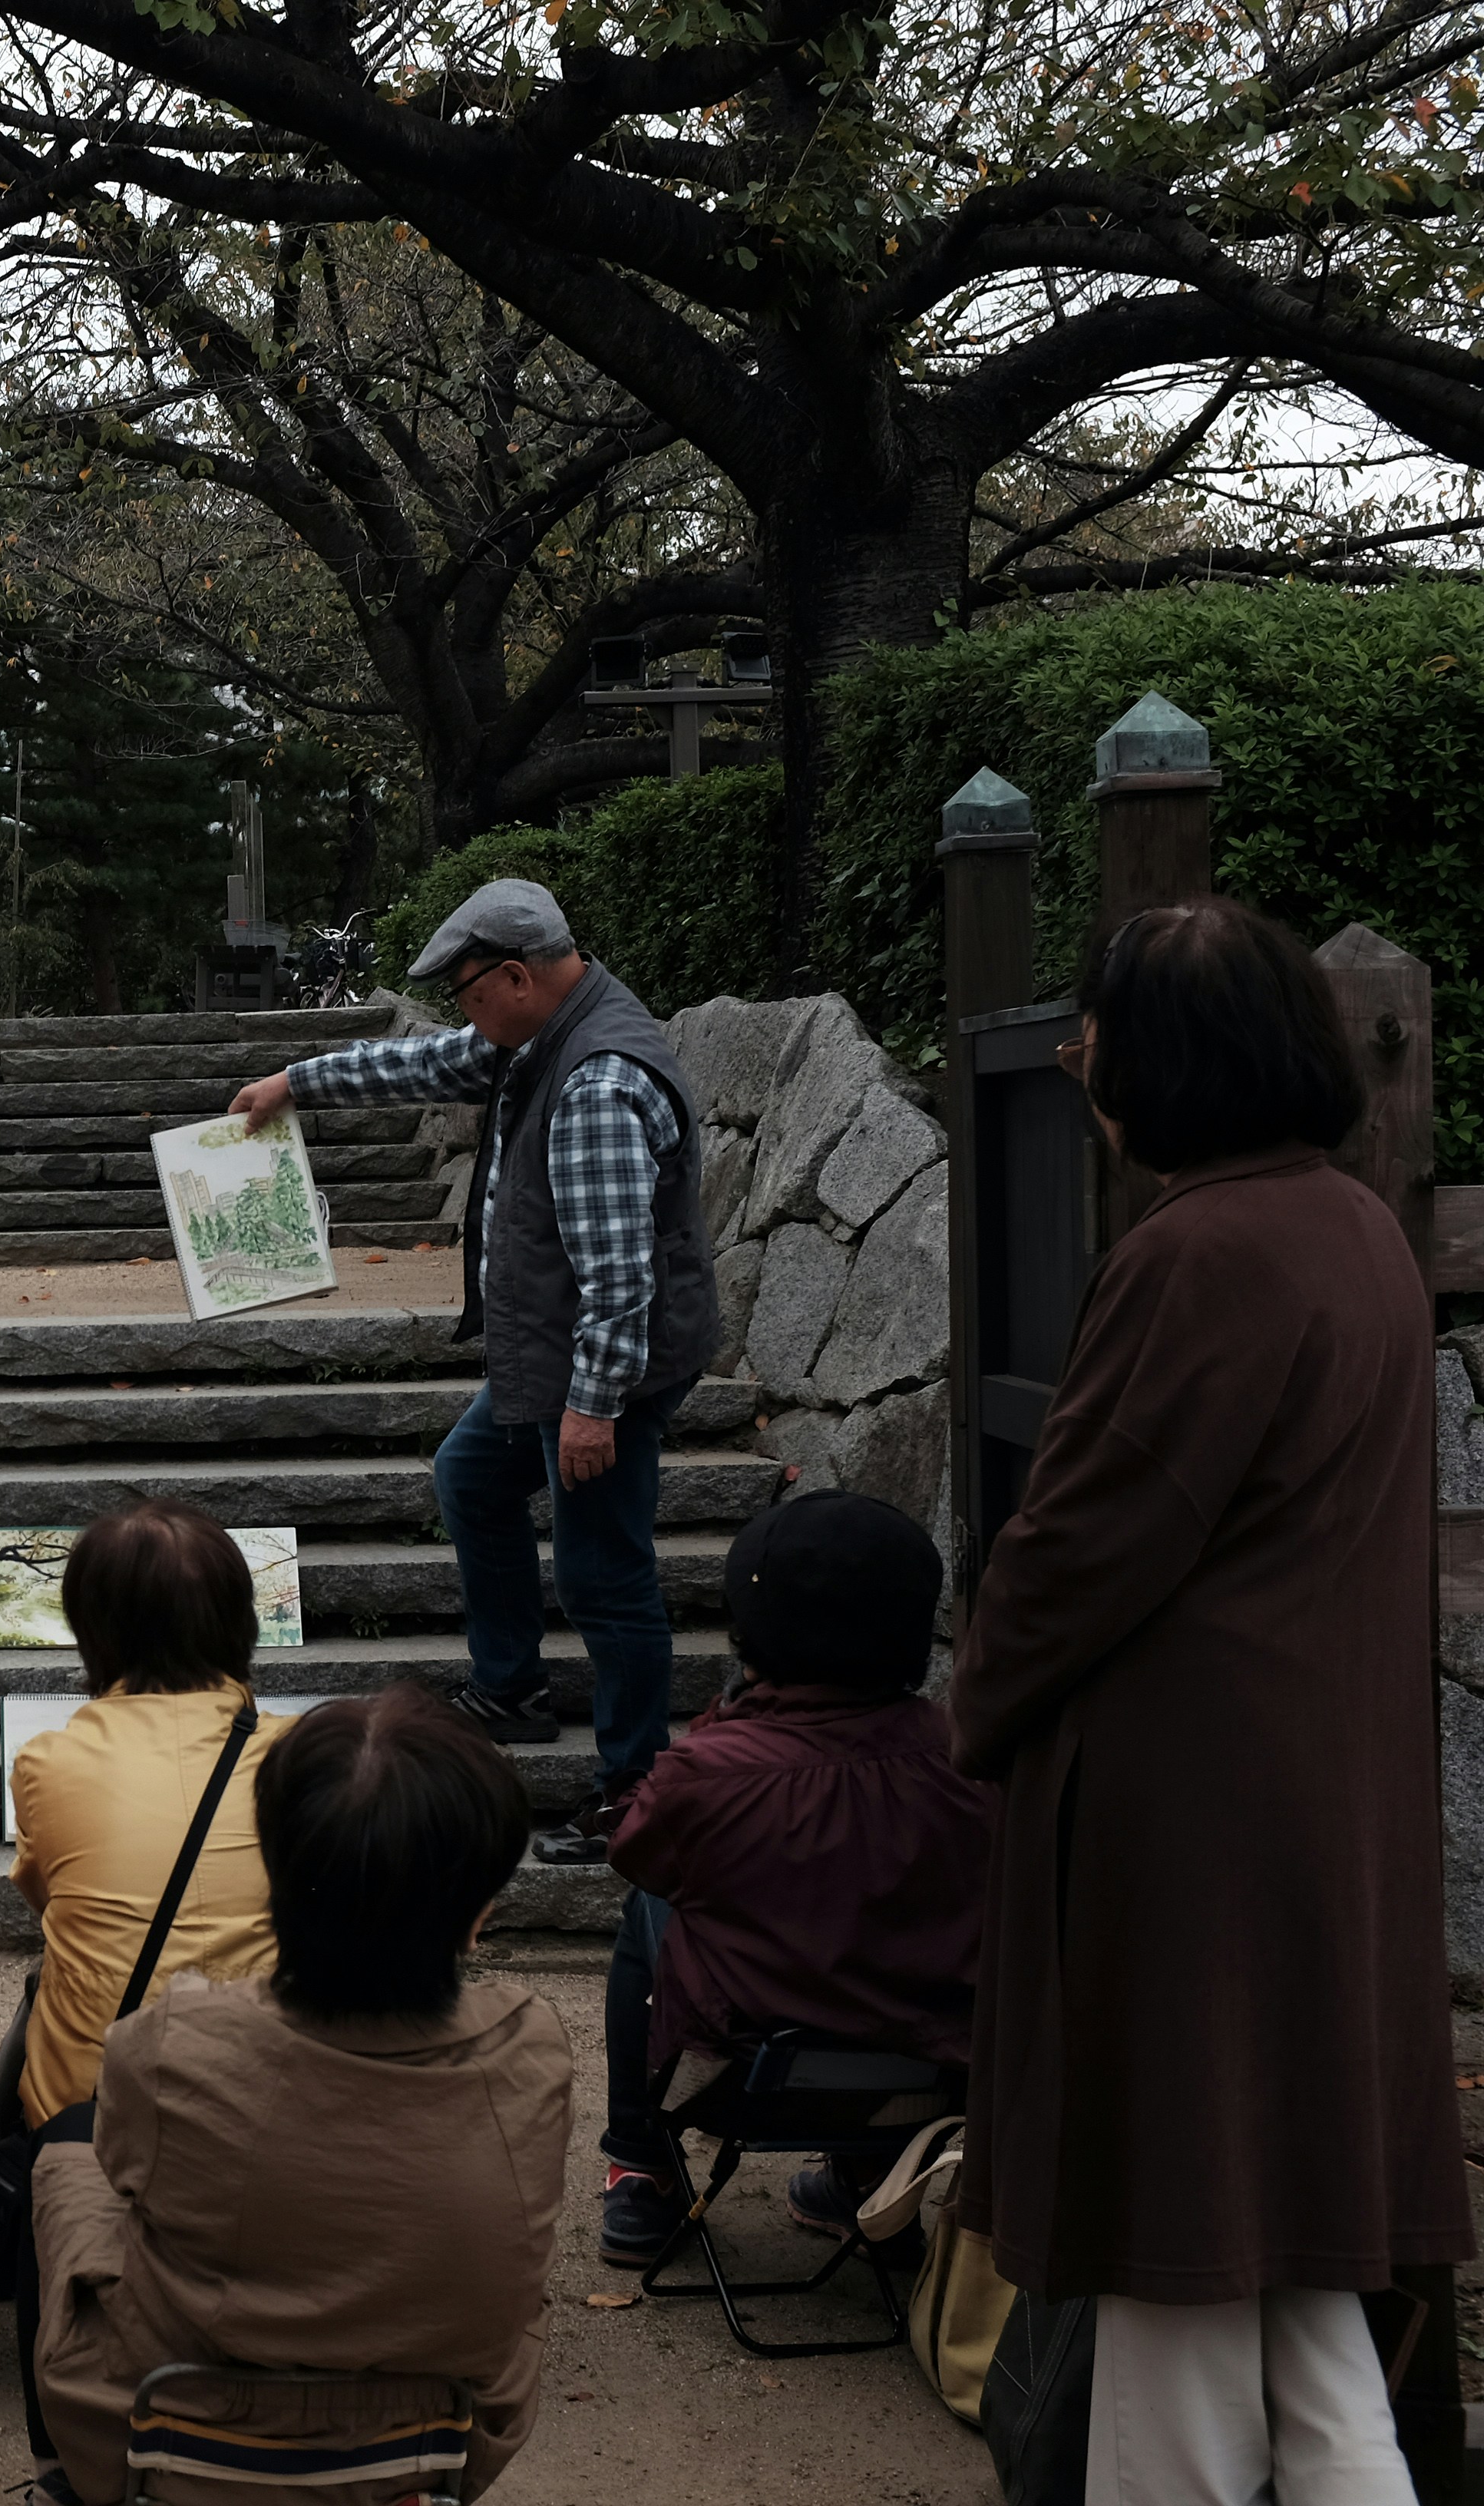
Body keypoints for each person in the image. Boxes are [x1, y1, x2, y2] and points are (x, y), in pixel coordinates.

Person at [949, 896, 1462, 2499]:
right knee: (1299, 2255)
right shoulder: (1352, 1223)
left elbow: (1082, 1543)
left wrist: (978, 1696)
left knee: (1176, 2243)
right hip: (1319, 1786)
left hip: (1193, 1818)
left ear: (1158, 1067)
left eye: (1097, 1039)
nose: (1084, 1067)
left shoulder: (1198, 1254)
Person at [225, 877, 718, 1863]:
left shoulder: (594, 1083)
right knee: (470, 1475)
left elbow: (619, 1279)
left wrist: (593, 1408)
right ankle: (511, 1688)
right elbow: (423, 1062)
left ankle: (635, 1789)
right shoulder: (536, 1039)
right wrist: (297, 1083)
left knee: (604, 1576)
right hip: (547, 1353)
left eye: (466, 992)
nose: (463, 1014)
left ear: (515, 976)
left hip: (595, 1370)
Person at [30, 1687, 573, 2505]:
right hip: (441, 2434)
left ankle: (69, 2480)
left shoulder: (170, 2043)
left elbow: (126, 2170)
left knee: (62, 2158)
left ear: (274, 1875)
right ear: (479, 1912)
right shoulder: (534, 2050)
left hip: (184, 2423)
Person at [595, 1489, 990, 2268]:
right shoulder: (967, 1757)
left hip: (742, 2077)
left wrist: (730, 1721)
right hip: (929, 2075)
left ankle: (641, 2167)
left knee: (647, 1900)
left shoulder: (710, 1773)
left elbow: (637, 1851)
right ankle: (868, 2179)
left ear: (754, 1635)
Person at [0, 1501, 292, 2489]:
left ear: (93, 1629)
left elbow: (45, 1894)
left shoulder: (53, 1759)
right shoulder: (298, 1757)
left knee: (49, 2011)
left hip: (102, 2095)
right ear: (240, 1621)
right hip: (269, 2077)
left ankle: (62, 2453)